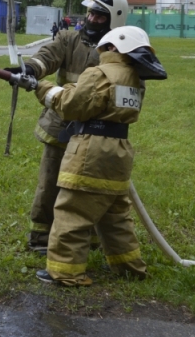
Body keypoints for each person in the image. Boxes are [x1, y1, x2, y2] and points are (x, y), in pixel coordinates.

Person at [31, 26, 166, 286]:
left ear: (114, 48)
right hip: (119, 152)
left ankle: (65, 272)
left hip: (91, 151)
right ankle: (129, 268)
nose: (100, 53)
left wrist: (42, 88)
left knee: (73, 210)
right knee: (116, 216)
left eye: (103, 48)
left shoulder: (98, 73)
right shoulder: (136, 78)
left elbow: (72, 106)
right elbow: (97, 99)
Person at [5, 0, 128, 254]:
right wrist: (29, 69)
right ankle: (41, 238)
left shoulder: (121, 50)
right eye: (91, 13)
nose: (92, 19)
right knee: (50, 184)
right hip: (61, 127)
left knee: (91, 190)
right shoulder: (68, 38)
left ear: (114, 19)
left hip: (98, 133)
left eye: (100, 16)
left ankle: (90, 240)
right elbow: (46, 57)